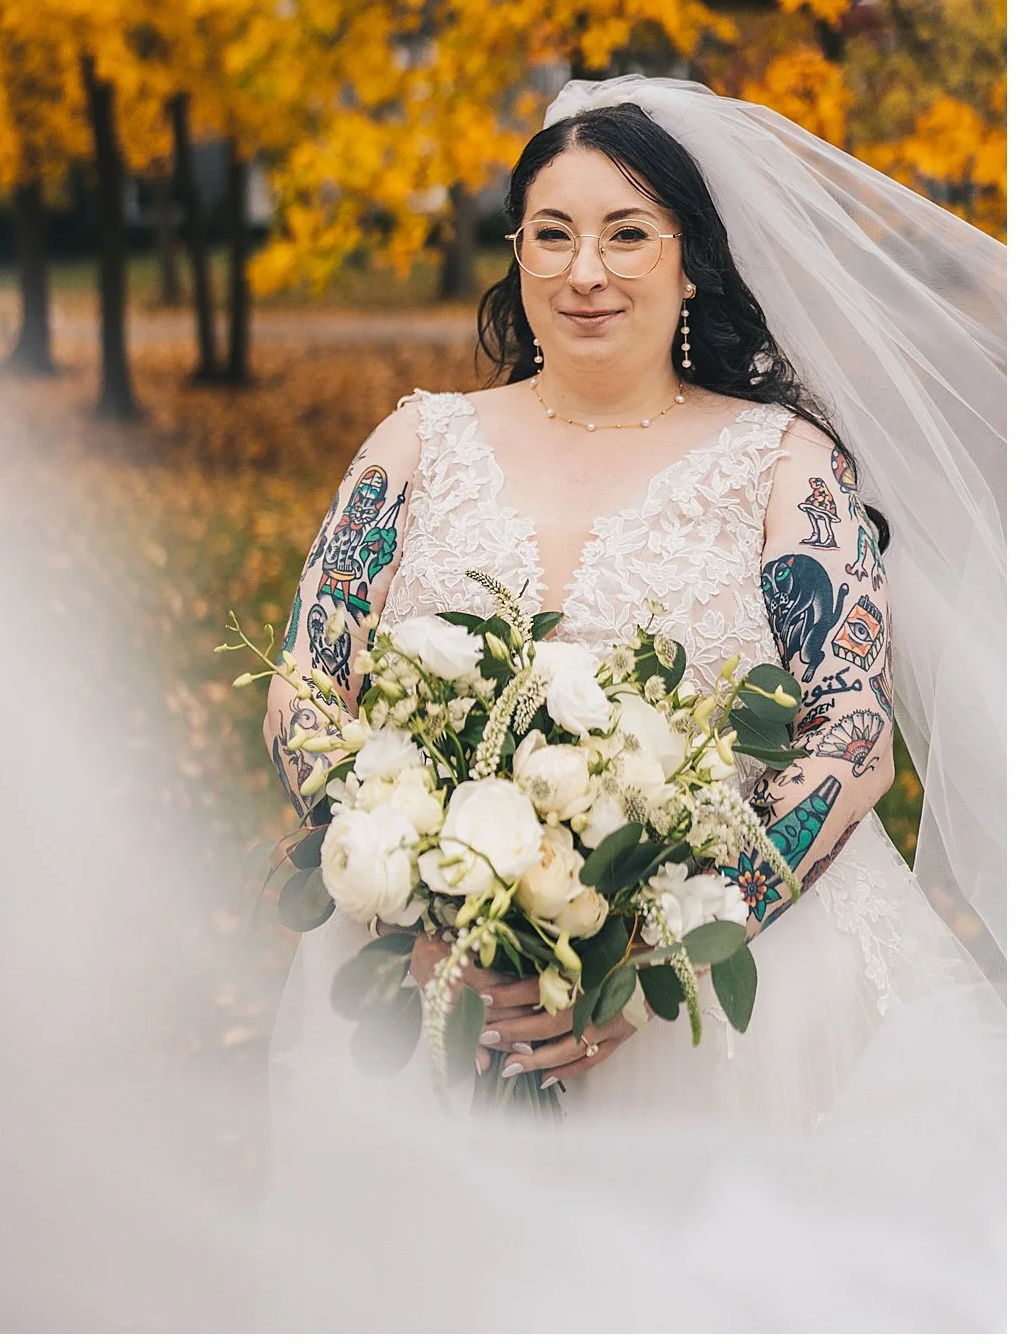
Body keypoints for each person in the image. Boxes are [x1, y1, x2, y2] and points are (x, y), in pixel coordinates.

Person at [262, 77, 1004, 1324]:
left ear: (690, 261)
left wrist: (654, 956)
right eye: (552, 231)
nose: (586, 270)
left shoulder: (783, 460)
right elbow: (305, 698)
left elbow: (851, 732)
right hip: (439, 979)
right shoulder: (413, 446)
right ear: (515, 255)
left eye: (628, 231)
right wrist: (424, 912)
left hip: (734, 994)